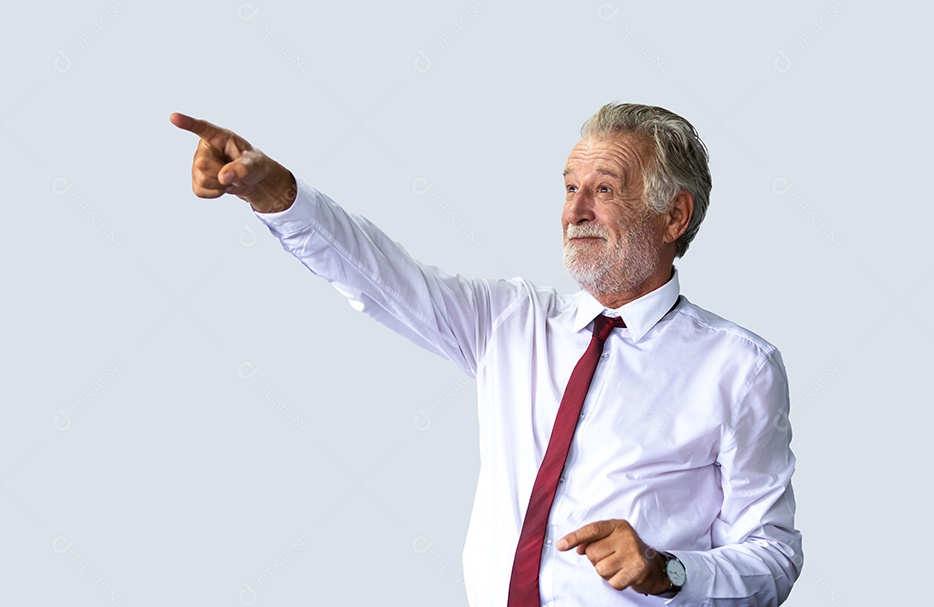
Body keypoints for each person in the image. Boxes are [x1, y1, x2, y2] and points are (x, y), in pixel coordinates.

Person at [170, 103, 803, 606]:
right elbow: (381, 276)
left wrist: (669, 571)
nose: (574, 210)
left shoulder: (739, 368)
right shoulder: (512, 321)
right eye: (569, 187)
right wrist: (274, 192)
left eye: (604, 190)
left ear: (674, 217)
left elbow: (773, 556)